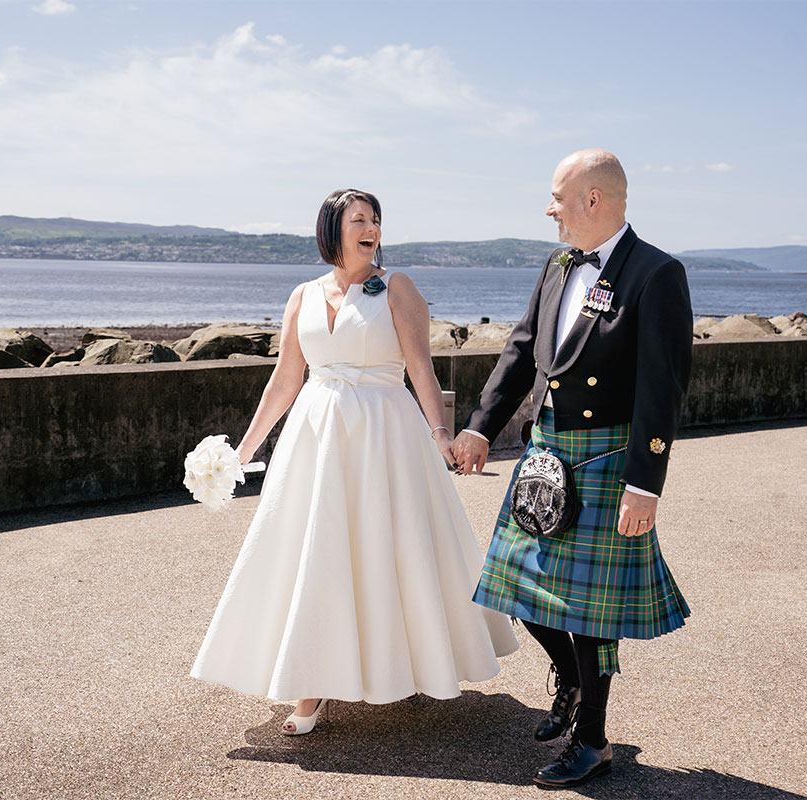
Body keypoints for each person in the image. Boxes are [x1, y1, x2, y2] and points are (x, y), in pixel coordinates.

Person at [190, 188, 517, 735]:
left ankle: (409, 665)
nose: (370, 229)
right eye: (358, 220)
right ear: (333, 231)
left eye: (375, 220)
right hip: (316, 438)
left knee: (393, 551)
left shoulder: (397, 289)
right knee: (315, 552)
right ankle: (311, 685)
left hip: (386, 432)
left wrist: (440, 433)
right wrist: (242, 453)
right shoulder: (303, 295)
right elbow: (284, 381)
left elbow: (421, 370)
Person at [451, 149, 692, 788]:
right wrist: (480, 425)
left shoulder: (655, 274)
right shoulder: (559, 264)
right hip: (546, 449)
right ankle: (573, 687)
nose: (548, 208)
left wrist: (645, 484)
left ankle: (593, 740)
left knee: (589, 615)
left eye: (557, 196)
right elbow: (523, 348)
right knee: (516, 590)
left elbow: (660, 390)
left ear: (593, 199)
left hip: (609, 456)